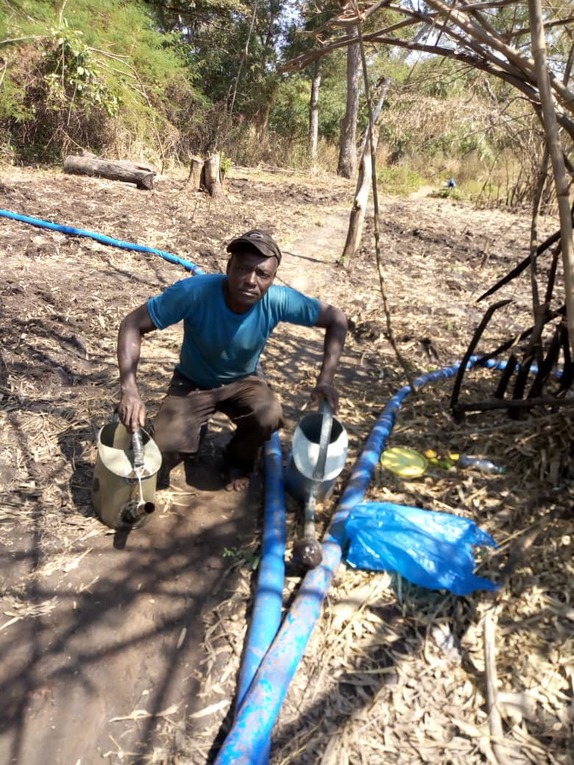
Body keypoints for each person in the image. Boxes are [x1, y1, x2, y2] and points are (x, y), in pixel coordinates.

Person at [116, 229, 348, 491]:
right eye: (243, 269)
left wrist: (326, 379)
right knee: (165, 449)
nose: (251, 280)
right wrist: (130, 390)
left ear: (272, 278)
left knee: (268, 416)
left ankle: (237, 460)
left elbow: (336, 318)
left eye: (262, 274)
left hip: (243, 380)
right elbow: (132, 324)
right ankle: (192, 432)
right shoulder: (195, 292)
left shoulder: (278, 300)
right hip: (193, 382)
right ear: (229, 268)